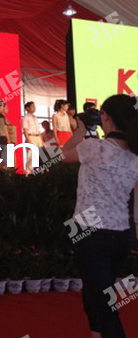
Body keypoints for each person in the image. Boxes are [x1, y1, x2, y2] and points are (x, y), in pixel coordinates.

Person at [60, 94, 138, 338]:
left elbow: (62, 154)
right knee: (95, 293)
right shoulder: (135, 156)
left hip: (90, 234)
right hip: (121, 235)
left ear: (106, 117)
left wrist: (80, 131)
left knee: (103, 302)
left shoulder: (93, 147)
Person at [22, 101, 43, 176]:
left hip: (37, 137)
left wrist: (41, 139)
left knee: (39, 156)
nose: (34, 108)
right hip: (31, 137)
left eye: (34, 106)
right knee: (31, 157)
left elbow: (38, 129)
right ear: (27, 108)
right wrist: (28, 140)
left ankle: (38, 173)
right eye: (32, 106)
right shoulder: (26, 118)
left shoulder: (35, 117)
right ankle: (28, 174)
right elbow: (25, 130)